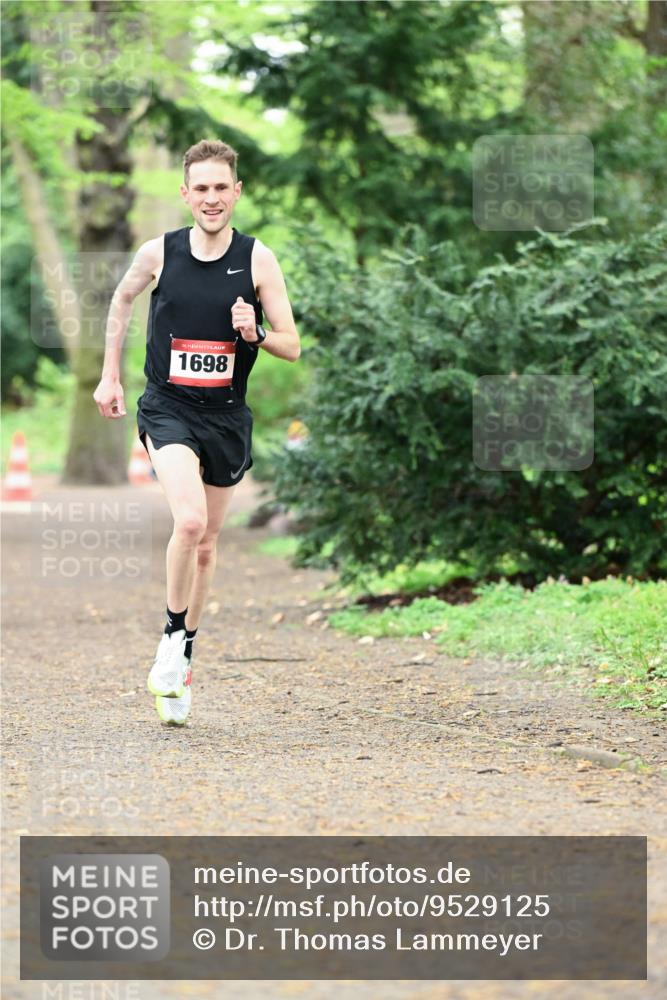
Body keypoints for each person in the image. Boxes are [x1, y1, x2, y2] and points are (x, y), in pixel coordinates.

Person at [93, 139, 300, 725]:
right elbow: (121, 300)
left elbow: (292, 345)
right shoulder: (159, 252)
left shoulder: (259, 259)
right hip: (168, 408)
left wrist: (255, 333)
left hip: (226, 417)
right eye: (201, 188)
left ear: (237, 192)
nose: (212, 198)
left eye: (221, 188)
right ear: (185, 194)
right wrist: (110, 374)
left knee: (207, 545)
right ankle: (171, 636)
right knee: (189, 522)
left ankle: (183, 657)